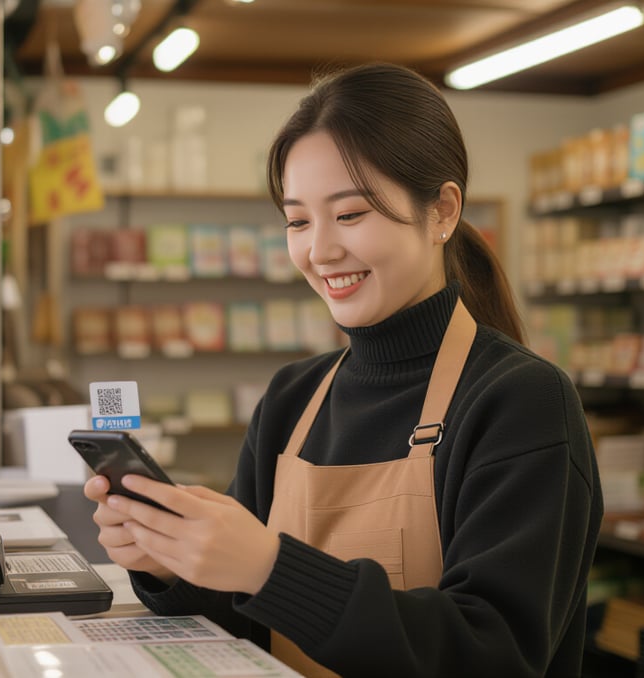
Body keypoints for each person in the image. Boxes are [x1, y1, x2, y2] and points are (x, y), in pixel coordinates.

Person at [84, 62, 603, 677]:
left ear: (442, 211)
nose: (320, 250)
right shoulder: (292, 397)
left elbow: (494, 653)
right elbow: (247, 626)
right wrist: (170, 561)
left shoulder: (522, 401)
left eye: (351, 214)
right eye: (298, 221)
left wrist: (269, 566)